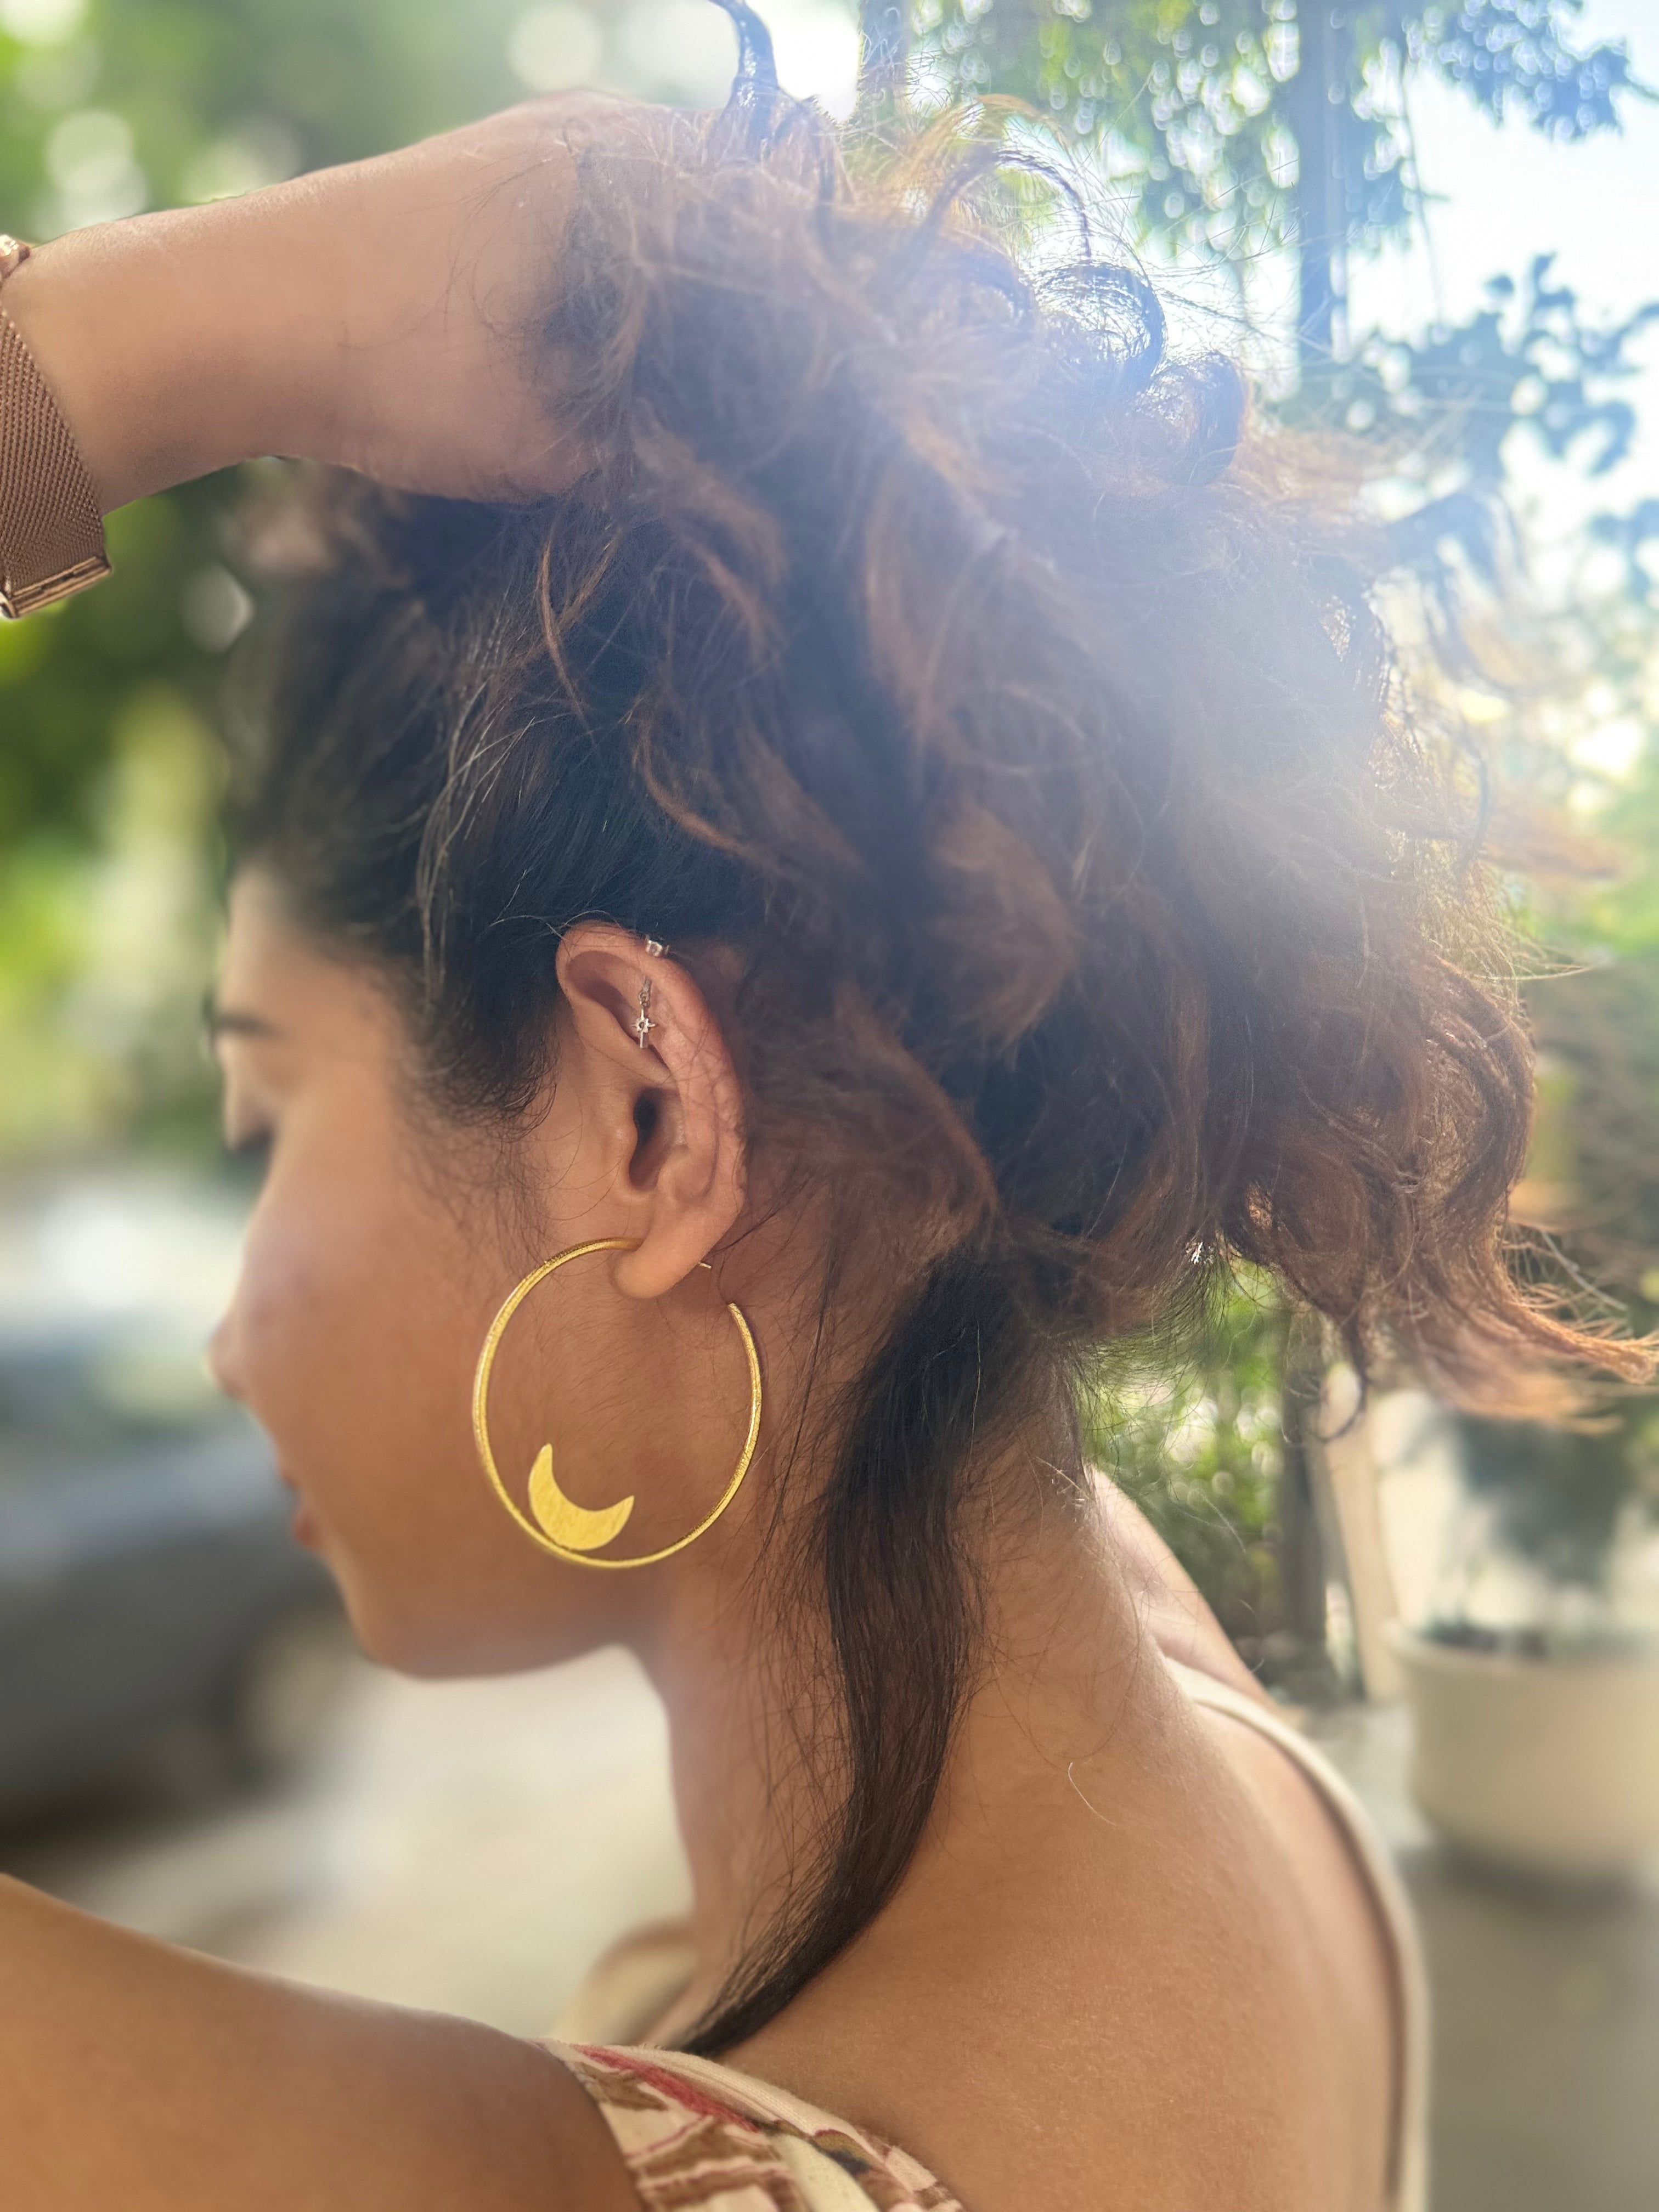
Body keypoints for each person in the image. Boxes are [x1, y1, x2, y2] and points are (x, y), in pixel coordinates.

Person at [0, 11, 1637, 2208]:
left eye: (260, 1112)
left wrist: (126, 342)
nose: (221, 1334)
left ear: (655, 1114)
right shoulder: (1204, 1728)